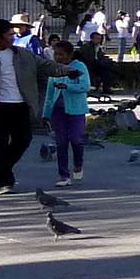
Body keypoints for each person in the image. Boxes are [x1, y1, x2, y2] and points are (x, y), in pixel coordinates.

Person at [0, 18, 59, 194]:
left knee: (23, 140)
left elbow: (45, 65)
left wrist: (65, 70)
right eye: (9, 34)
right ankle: (4, 182)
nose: (13, 37)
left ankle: (0, 166)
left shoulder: (23, 54)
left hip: (20, 105)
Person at [42, 38, 92, 186]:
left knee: (76, 139)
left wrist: (68, 87)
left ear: (70, 55)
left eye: (62, 54)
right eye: (56, 54)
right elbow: (49, 94)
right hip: (58, 111)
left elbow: (85, 86)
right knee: (61, 142)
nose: (58, 57)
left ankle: (78, 164)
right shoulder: (54, 69)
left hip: (76, 109)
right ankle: (63, 175)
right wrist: (45, 114)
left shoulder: (79, 67)